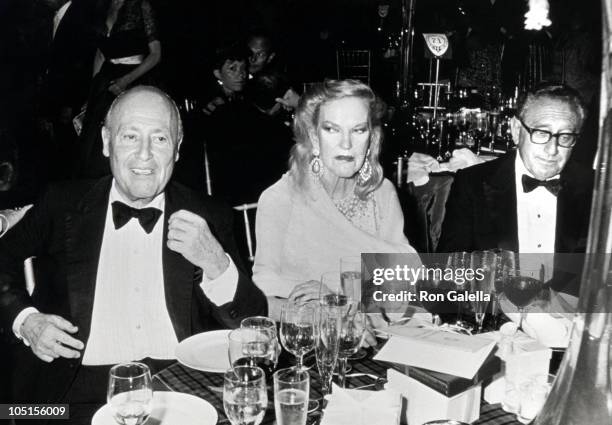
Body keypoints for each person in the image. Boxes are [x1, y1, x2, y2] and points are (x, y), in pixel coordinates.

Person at [0, 86, 267, 421]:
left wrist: (217, 264)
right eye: (130, 137)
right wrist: (25, 321)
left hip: (180, 387)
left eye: (160, 139)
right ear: (106, 141)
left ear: (178, 149)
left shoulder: (208, 215)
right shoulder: (62, 203)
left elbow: (253, 325)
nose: (145, 154)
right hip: (72, 394)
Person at [252, 79, 417, 321]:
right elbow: (262, 295)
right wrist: (328, 308)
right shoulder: (280, 199)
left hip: (378, 333)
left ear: (371, 138)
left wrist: (348, 303)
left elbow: (406, 280)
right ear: (314, 137)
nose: (346, 144)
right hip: (305, 340)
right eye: (332, 129)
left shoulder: (382, 193)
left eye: (358, 130)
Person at [438, 83, 593, 294]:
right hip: (496, 321)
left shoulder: (596, 190)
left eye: (565, 137)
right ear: (516, 129)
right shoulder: (472, 183)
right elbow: (451, 271)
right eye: (541, 132)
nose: (552, 149)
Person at [74, 0, 162, 179]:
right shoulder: (101, 7)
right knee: (96, 145)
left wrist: (125, 81)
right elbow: (100, 55)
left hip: (135, 81)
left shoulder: (141, 6)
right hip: (106, 81)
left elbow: (155, 55)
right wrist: (92, 95)